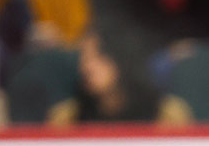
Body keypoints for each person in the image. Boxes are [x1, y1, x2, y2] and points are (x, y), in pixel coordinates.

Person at [48, 32, 191, 126]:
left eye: (99, 57)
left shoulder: (167, 115)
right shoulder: (66, 118)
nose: (86, 68)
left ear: (122, 58)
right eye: (84, 58)